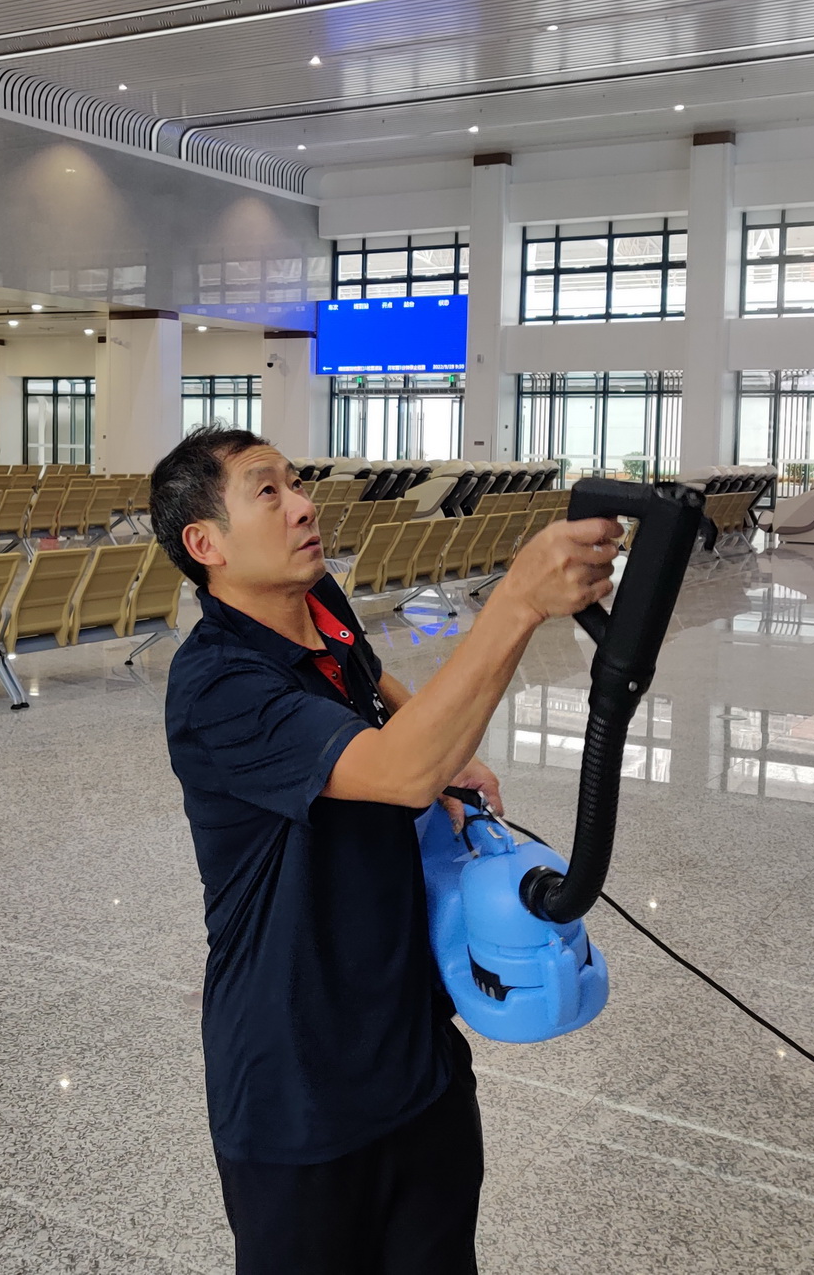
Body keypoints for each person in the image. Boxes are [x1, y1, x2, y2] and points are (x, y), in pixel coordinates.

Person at [151, 427, 619, 1275]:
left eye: (297, 483)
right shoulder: (217, 685)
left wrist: (443, 751)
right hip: (299, 1089)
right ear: (205, 544)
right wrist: (517, 600)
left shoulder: (317, 599)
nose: (303, 506)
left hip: (415, 1059)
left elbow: (367, 675)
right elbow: (401, 776)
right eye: (268, 492)